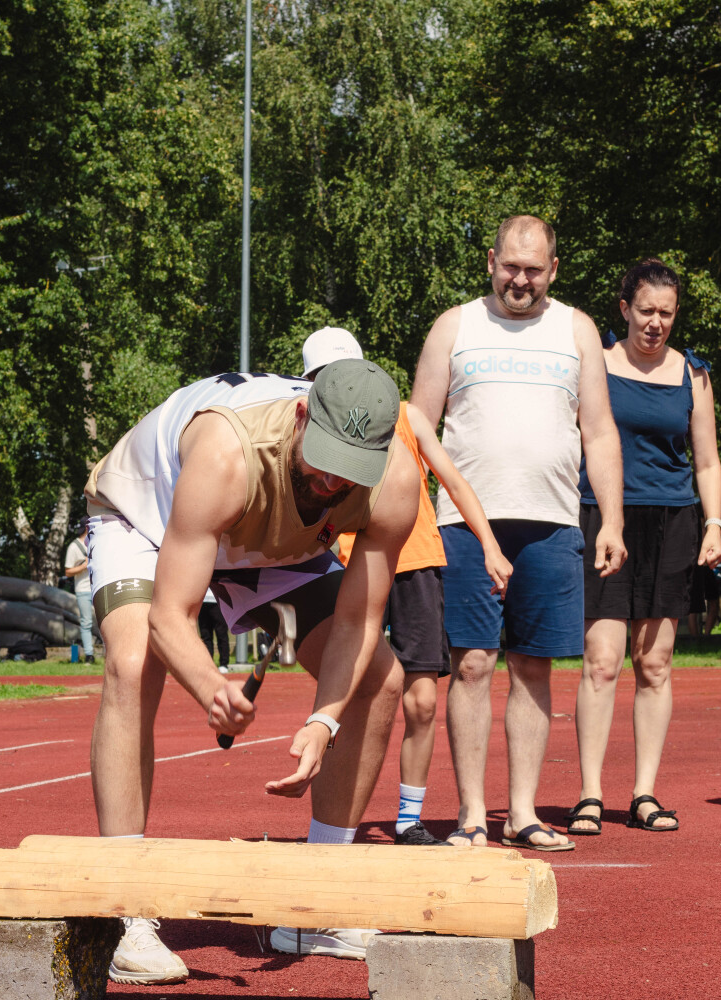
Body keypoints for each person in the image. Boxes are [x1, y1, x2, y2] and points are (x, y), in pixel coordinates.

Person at [83, 359, 421, 982]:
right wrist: (212, 687)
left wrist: (324, 721)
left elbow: (358, 622)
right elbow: (169, 616)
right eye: (324, 458)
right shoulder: (226, 453)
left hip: (269, 543)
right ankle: (125, 910)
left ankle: (318, 904)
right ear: (301, 417)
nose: (331, 480)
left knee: (380, 679)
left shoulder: (395, 481)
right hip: (149, 517)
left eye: (351, 468)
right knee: (133, 663)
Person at [411, 215, 626, 852]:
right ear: (491, 262)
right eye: (511, 266)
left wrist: (612, 519)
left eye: (534, 269)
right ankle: (472, 814)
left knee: (533, 666)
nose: (521, 280)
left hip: (553, 523)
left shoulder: (577, 330)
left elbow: (600, 432)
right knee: (473, 664)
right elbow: (417, 427)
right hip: (463, 524)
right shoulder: (454, 327)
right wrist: (412, 519)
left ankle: (523, 813)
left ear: (553, 270)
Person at [305, 328, 513, 848]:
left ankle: (408, 819)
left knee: (421, 702)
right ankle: (334, 822)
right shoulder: (307, 430)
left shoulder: (407, 416)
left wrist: (490, 545)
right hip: (351, 568)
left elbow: (455, 482)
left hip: (414, 562)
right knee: (347, 695)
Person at [568, 259, 721, 837]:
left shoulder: (694, 375)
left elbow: (706, 461)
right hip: (604, 517)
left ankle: (644, 794)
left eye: (666, 313)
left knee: (654, 664)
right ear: (624, 309)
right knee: (602, 661)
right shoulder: (594, 365)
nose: (656, 323)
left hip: (673, 521)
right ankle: (589, 794)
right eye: (645, 311)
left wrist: (714, 524)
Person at [63, 523, 95, 663]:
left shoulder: (97, 542)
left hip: (98, 588)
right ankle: (89, 655)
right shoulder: (74, 547)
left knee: (105, 621)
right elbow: (68, 572)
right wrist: (84, 566)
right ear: (87, 528)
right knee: (86, 622)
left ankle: (110, 654)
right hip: (83, 589)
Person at [197, 586, 231, 672]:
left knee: (221, 634)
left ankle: (224, 664)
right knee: (205, 635)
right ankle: (208, 664)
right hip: (202, 601)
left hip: (218, 601)